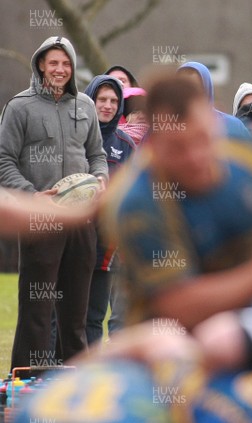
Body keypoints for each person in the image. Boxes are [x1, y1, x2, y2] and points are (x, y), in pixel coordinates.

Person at [102, 74, 252, 330]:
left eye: (202, 139)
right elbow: (182, 306)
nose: (195, 157)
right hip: (165, 339)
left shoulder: (237, 145)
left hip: (243, 323)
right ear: (155, 145)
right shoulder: (137, 200)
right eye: (178, 148)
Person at [0, 36, 108, 368]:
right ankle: (27, 381)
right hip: (40, 221)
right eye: (53, 63)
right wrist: (32, 194)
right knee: (36, 313)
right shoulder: (20, 107)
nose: (60, 69)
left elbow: (97, 155)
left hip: (81, 223)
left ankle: (72, 386)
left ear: (73, 68)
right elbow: (4, 160)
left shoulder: (86, 107)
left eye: (66, 63)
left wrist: (101, 178)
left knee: (75, 313)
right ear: (40, 65)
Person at [83, 75, 137, 345]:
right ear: (89, 100)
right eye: (101, 99)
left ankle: (89, 378)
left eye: (114, 100)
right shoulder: (75, 137)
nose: (108, 105)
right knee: (64, 316)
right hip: (71, 239)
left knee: (94, 316)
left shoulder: (126, 145)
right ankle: (55, 376)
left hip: (105, 246)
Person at [177, 62, 252, 140]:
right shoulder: (169, 129)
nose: (188, 95)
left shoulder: (233, 126)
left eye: (195, 89)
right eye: (182, 89)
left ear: (207, 89)